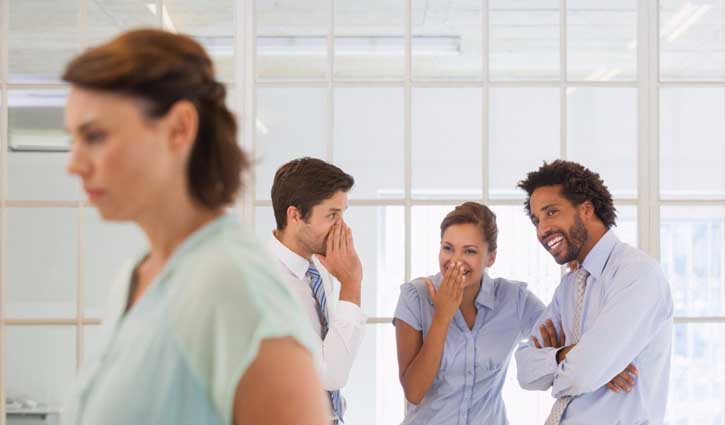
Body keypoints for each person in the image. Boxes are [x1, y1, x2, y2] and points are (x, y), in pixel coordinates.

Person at [61, 29, 327, 425]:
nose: (74, 164)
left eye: (95, 136)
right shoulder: (134, 278)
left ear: (179, 128)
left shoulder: (237, 289)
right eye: (73, 139)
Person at [515, 160, 673, 425]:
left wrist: (578, 365)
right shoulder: (569, 286)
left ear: (586, 210)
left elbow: (583, 374)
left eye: (551, 212)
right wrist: (568, 354)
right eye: (536, 220)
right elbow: (525, 370)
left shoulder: (636, 274)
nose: (542, 229)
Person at [393, 202, 545, 424]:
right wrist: (442, 317)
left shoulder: (515, 299)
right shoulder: (415, 296)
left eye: (470, 251)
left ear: (490, 257)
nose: (455, 261)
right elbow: (414, 392)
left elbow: (564, 333)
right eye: (448, 248)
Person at [267, 157, 366, 424]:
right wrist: (352, 284)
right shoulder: (269, 283)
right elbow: (329, 374)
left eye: (343, 214)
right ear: (295, 215)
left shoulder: (318, 270)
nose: (342, 227)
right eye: (332, 215)